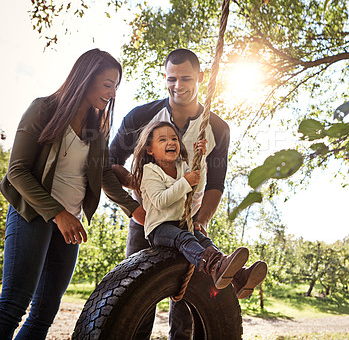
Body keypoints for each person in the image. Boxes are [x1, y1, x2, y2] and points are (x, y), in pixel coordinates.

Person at [110, 48, 267, 339]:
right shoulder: (141, 117)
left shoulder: (217, 128)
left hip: (189, 219)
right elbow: (111, 163)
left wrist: (202, 219)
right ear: (165, 78)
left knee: (184, 301)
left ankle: (237, 278)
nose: (178, 86)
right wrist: (137, 190)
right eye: (171, 79)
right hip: (148, 219)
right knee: (137, 295)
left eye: (186, 78)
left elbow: (216, 183)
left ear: (201, 77)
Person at [0, 48, 141, 340]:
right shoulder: (43, 109)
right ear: (86, 78)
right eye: (107, 84)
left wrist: (133, 208)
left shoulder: (96, 130)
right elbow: (17, 171)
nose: (112, 93)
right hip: (33, 215)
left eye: (116, 86)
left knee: (43, 316)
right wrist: (58, 214)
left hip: (70, 225)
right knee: (13, 305)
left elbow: (103, 175)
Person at [131, 120, 263, 291]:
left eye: (174, 139)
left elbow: (197, 188)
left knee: (203, 239)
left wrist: (200, 158)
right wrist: (185, 182)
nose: (170, 142)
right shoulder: (150, 171)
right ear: (150, 149)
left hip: (181, 224)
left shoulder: (181, 166)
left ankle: (239, 278)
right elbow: (160, 201)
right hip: (159, 229)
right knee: (185, 238)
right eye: (162, 140)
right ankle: (215, 266)